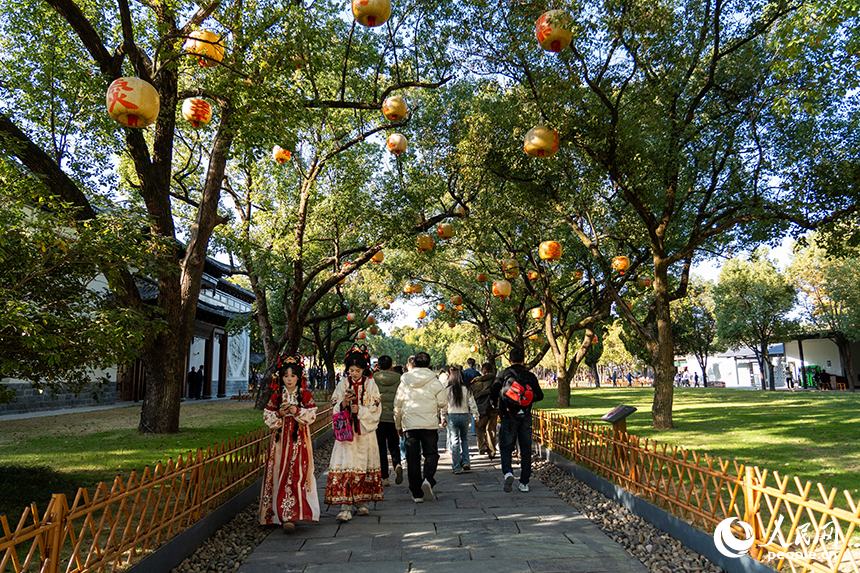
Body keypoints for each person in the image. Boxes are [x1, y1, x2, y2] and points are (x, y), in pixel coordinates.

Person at [259, 355, 319, 533]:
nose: (289, 379)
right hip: (279, 443)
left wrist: (297, 410)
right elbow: (267, 416)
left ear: (299, 377)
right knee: (279, 472)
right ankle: (278, 515)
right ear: (281, 377)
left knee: (297, 474)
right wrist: (279, 414)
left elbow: (312, 415)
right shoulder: (277, 396)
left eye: (293, 376)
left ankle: (292, 515)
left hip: (299, 442)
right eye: (286, 376)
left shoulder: (304, 394)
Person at [324, 347, 383, 522]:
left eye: (358, 370)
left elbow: (377, 408)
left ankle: (362, 501)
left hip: (364, 433)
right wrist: (344, 403)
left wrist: (361, 410)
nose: (354, 373)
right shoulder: (342, 384)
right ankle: (345, 506)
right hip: (347, 434)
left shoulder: (371, 384)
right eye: (351, 370)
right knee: (346, 464)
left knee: (363, 464)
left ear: (364, 369)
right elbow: (334, 405)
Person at [394, 352, 447, 503]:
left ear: (414, 364)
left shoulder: (405, 381)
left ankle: (416, 493)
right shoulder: (434, 381)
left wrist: (398, 424)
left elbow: (397, 405)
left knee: (413, 458)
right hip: (429, 424)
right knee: (431, 454)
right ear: (429, 365)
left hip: (410, 424)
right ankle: (428, 479)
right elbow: (443, 402)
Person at [490, 347, 544, 493]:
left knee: (506, 447)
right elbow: (540, 395)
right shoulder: (530, 376)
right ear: (524, 359)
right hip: (525, 416)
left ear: (510, 360)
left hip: (508, 416)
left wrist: (495, 403)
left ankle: (508, 472)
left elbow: (494, 392)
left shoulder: (503, 374)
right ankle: (524, 482)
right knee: (526, 449)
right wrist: (526, 399)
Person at [373, 354, 403, 487]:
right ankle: (397, 464)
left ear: (378, 366)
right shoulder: (399, 378)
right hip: (393, 417)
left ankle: (384, 477)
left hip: (378, 417)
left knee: (381, 448)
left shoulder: (373, 379)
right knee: (394, 445)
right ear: (391, 366)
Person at [444, 367, 479, 474]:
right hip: (464, 416)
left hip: (452, 416)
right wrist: (476, 416)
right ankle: (466, 461)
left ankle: (456, 467)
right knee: (464, 439)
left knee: (454, 441)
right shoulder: (467, 389)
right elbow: (472, 404)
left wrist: (442, 418)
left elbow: (444, 406)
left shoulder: (447, 390)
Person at [471, 362, 498, 459]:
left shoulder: (476, 382)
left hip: (481, 408)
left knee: (479, 427)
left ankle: (482, 446)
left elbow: (472, 395)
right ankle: (492, 451)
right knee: (491, 429)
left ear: (483, 371)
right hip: (493, 407)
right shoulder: (495, 380)